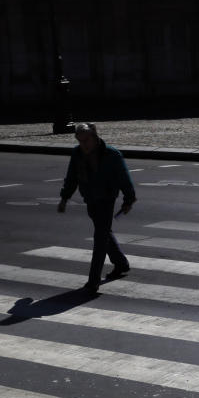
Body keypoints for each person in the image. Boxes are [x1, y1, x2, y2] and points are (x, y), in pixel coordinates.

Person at [57, 122, 136, 293]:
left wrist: (129, 199)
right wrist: (64, 198)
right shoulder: (77, 153)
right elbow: (71, 178)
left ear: (95, 137)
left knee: (100, 237)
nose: (83, 145)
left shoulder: (112, 155)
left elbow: (124, 178)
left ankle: (93, 281)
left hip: (107, 199)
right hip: (90, 198)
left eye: (86, 140)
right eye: (80, 141)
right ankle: (121, 263)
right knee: (104, 231)